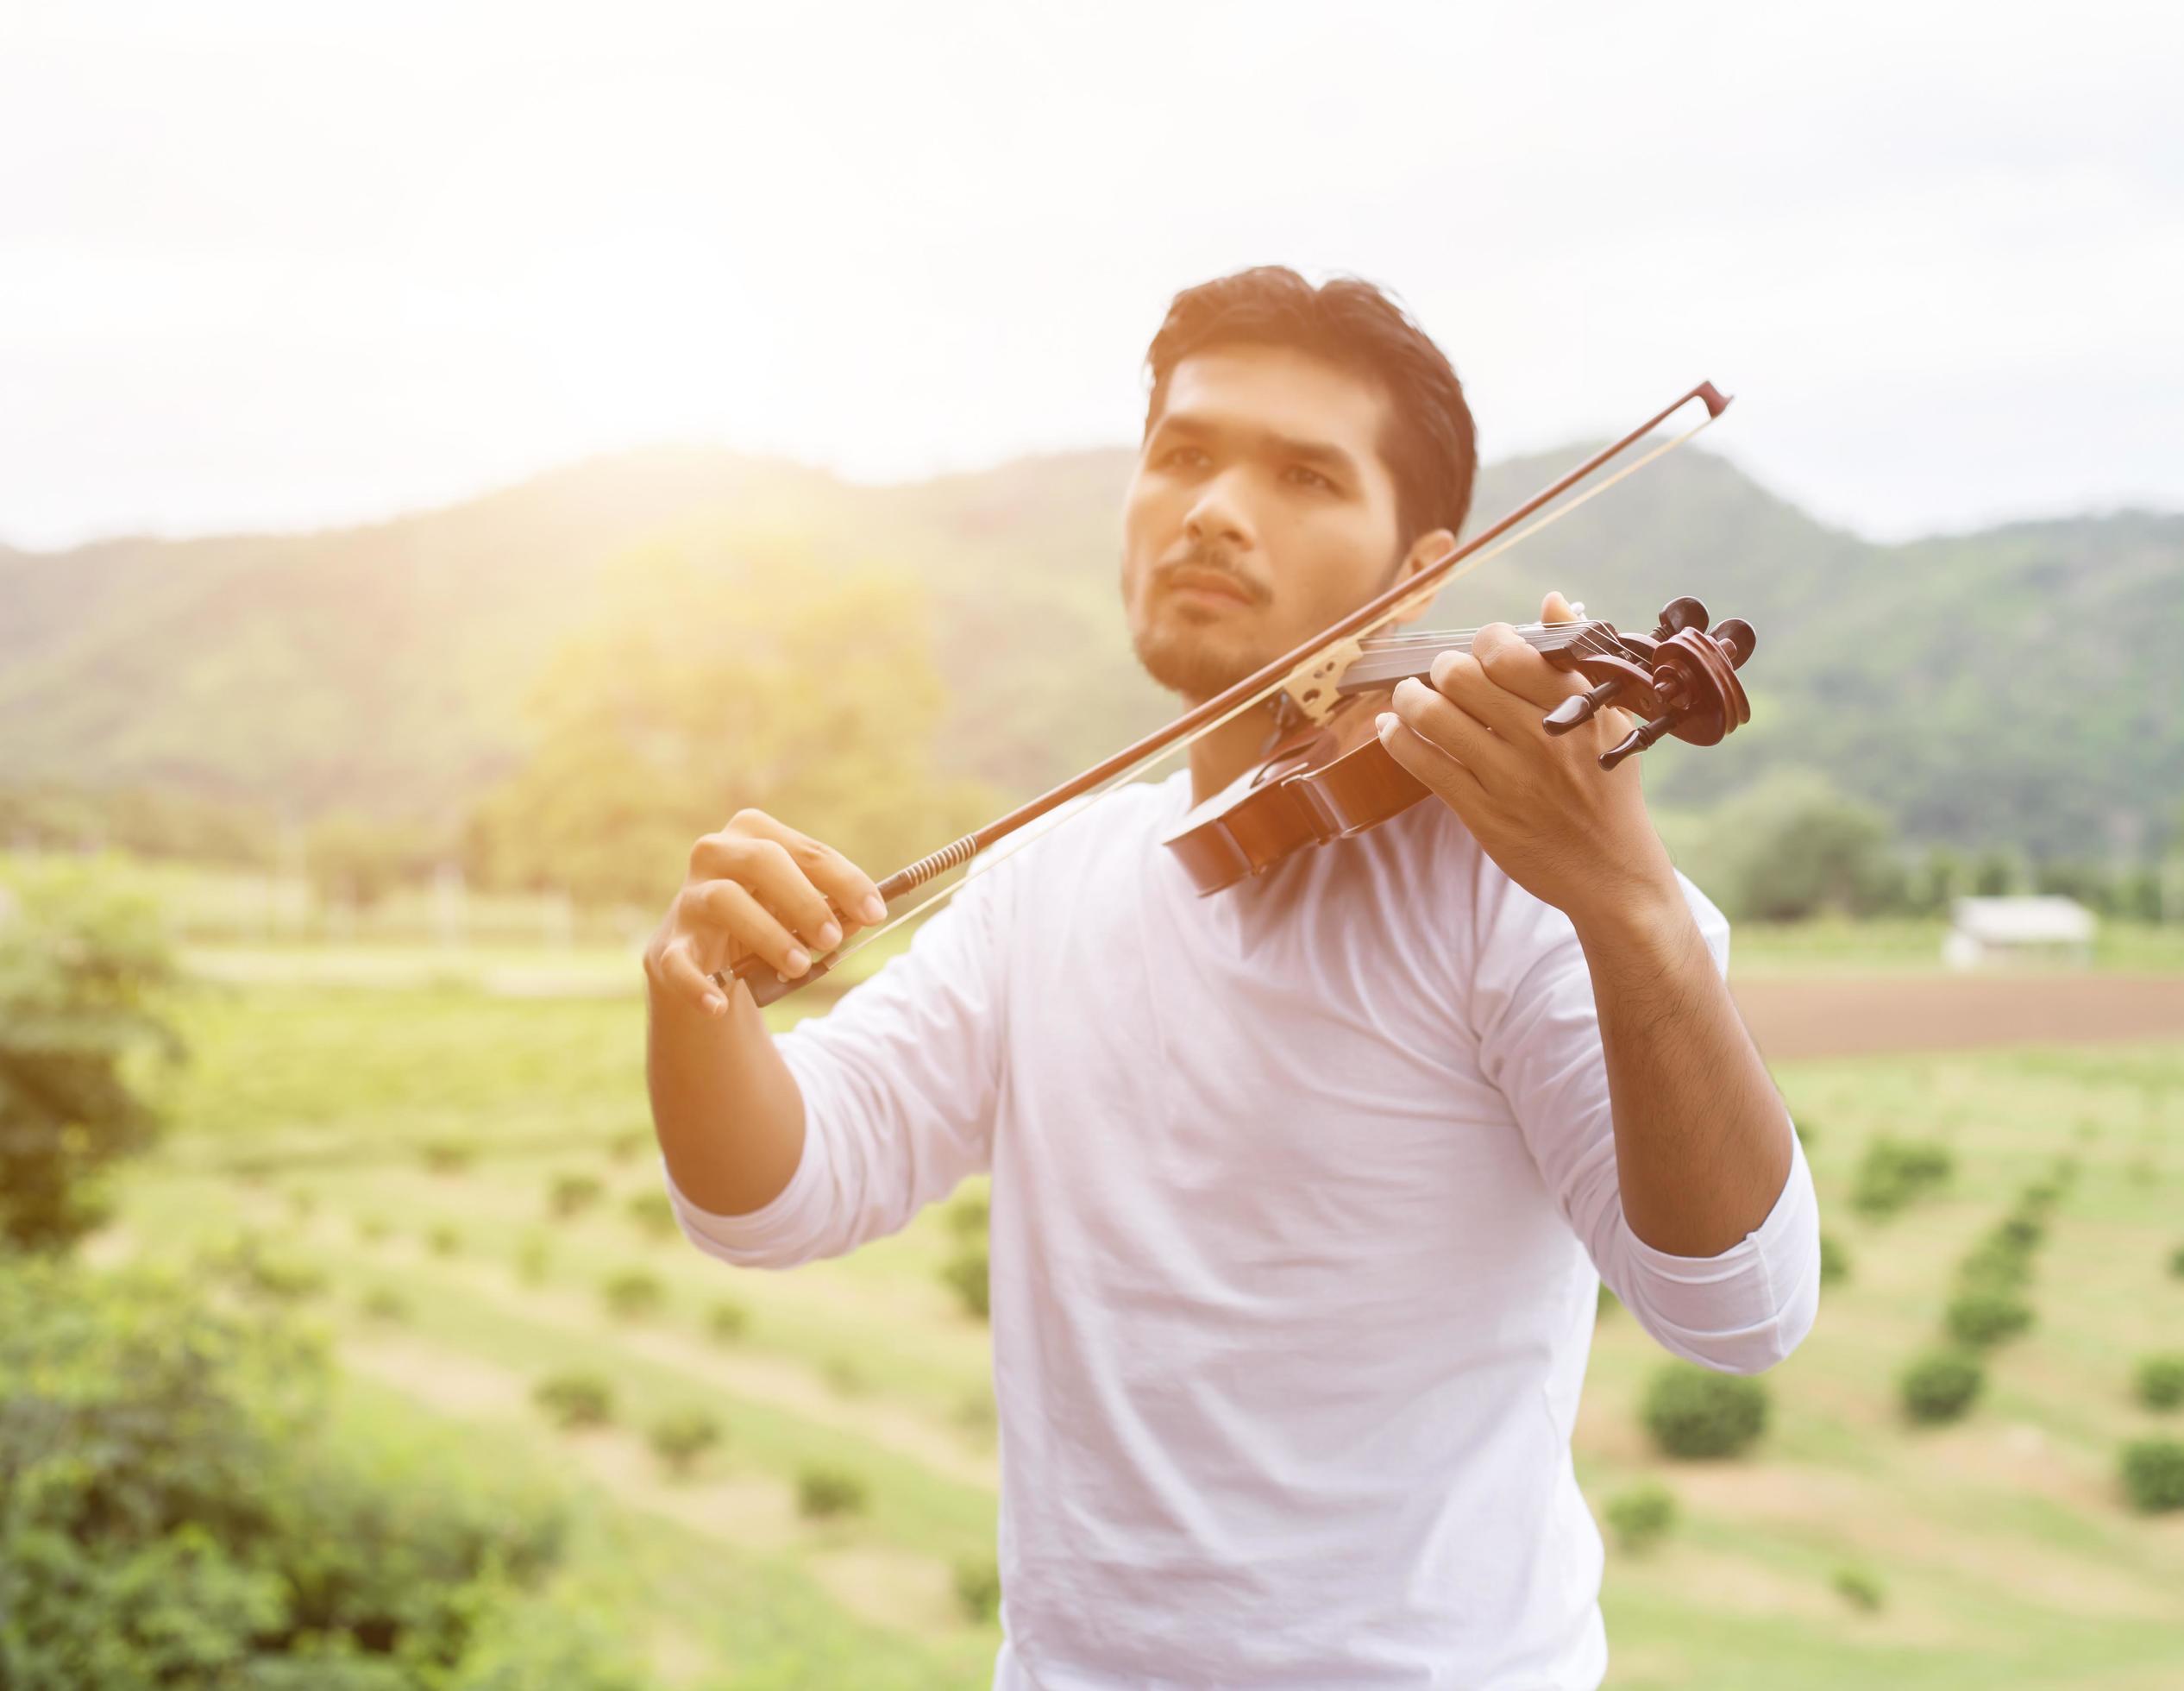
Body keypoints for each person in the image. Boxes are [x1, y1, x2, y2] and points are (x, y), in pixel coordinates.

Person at [643, 266, 1819, 1689]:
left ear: (1421, 576)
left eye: (1307, 475)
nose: (1213, 507)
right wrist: (695, 999)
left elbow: (1742, 1309)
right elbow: (775, 1196)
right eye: (1184, 455)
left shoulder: (1520, 890)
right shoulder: (1048, 881)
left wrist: (1626, 906)